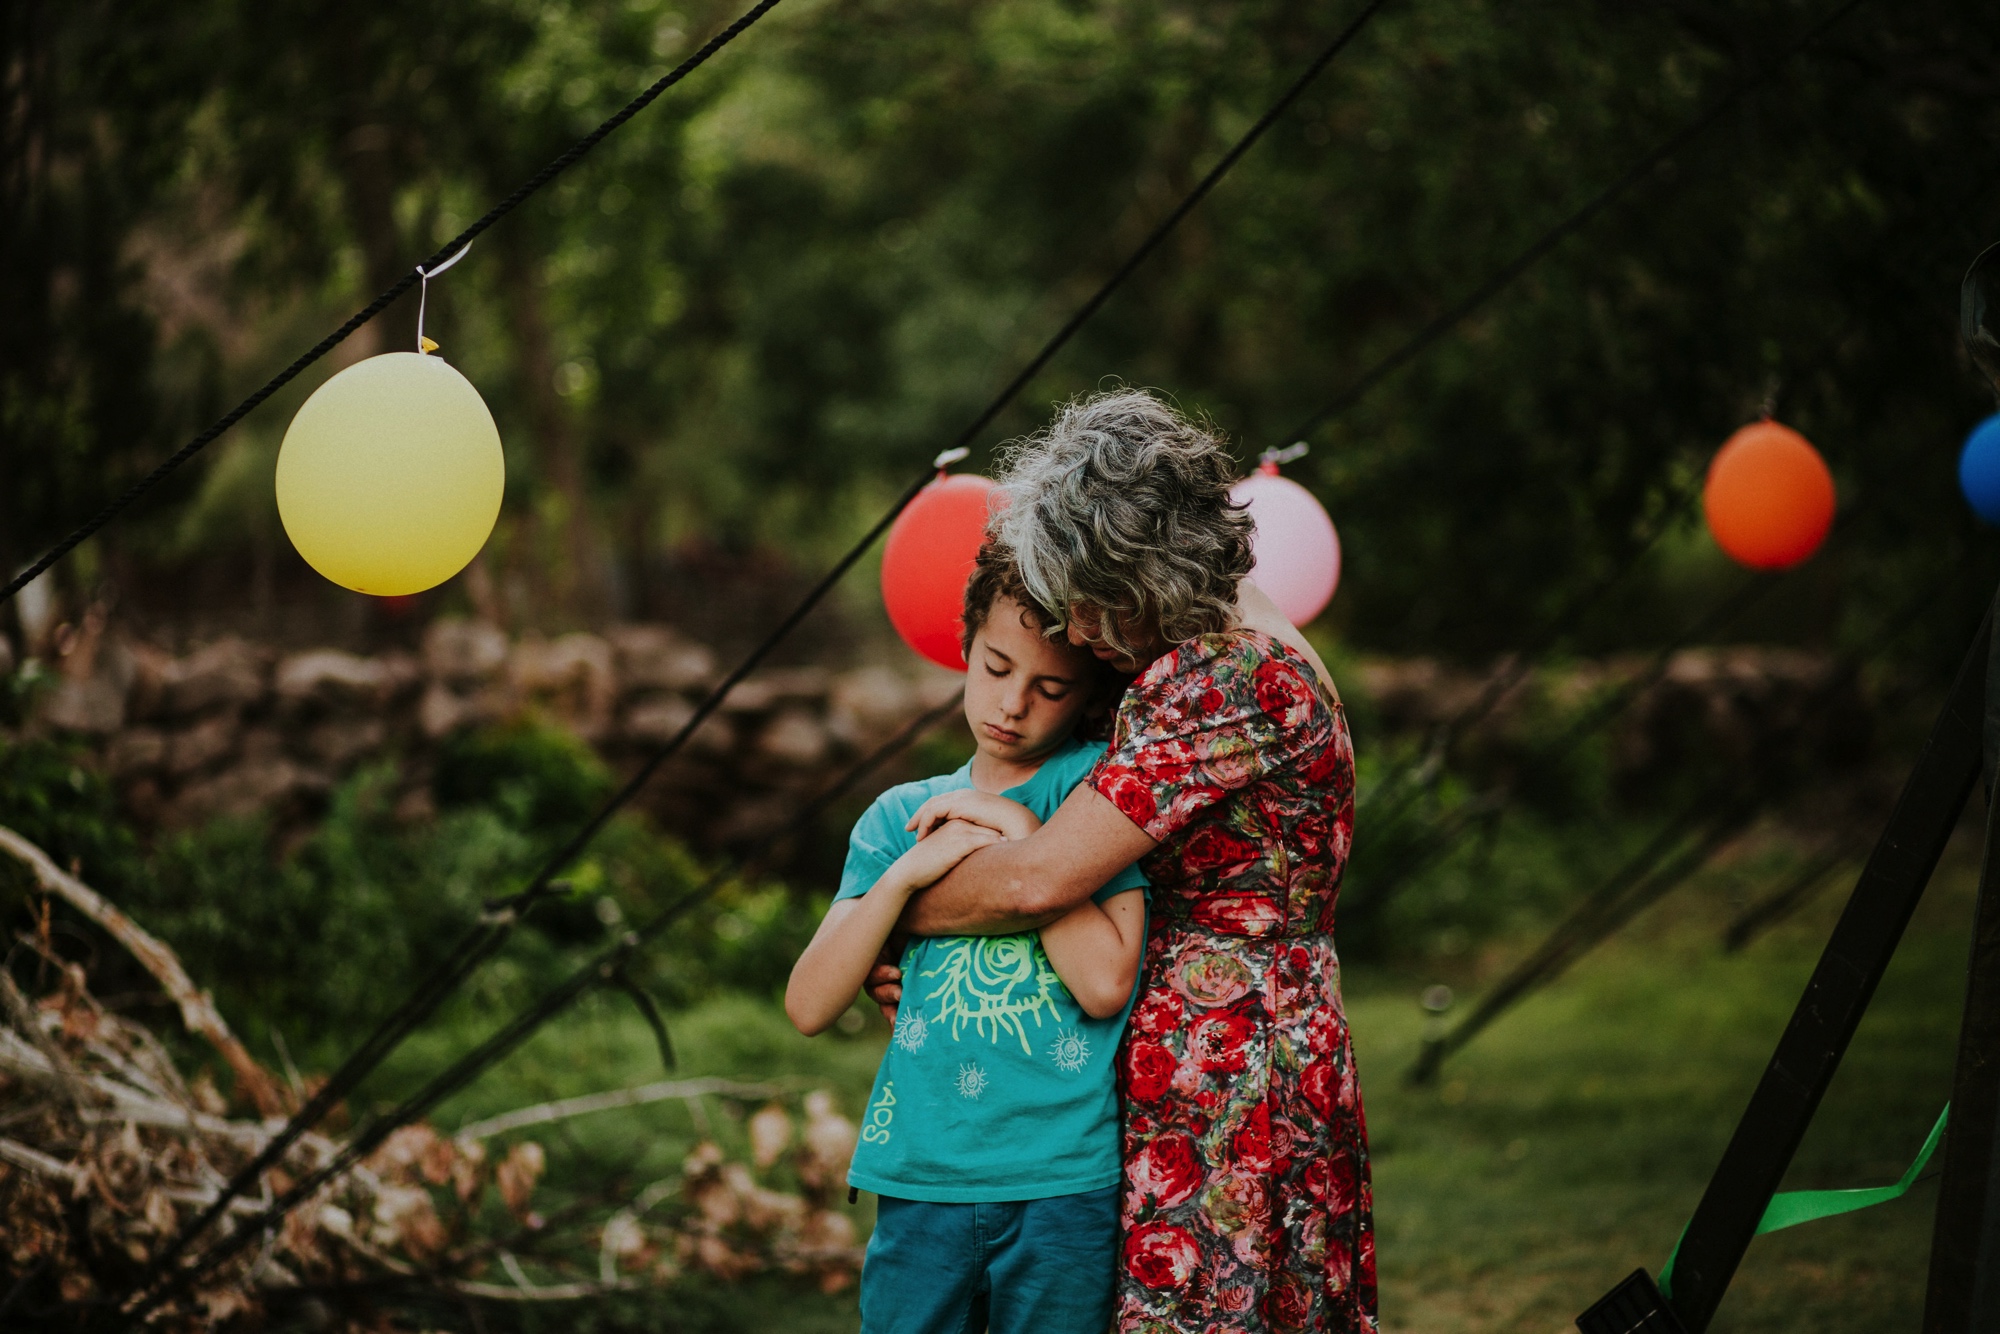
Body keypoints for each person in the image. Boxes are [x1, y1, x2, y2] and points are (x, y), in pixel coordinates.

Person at [877, 389, 1375, 1334]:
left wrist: (881, 912)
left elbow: (1041, 876)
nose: (1081, 631)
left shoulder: (1232, 677)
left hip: (1226, 1073)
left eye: (1088, 603)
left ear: (1139, 574)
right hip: (1225, 1046)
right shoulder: (1221, 641)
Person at [784, 545, 1150, 1334]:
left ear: (1087, 695)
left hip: (1060, 1180)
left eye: (1049, 688)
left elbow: (1102, 983)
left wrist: (1021, 837)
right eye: (995, 667)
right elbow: (810, 1004)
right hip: (921, 1176)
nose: (1012, 704)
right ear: (964, 646)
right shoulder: (897, 817)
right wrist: (903, 881)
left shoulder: (1094, 794)